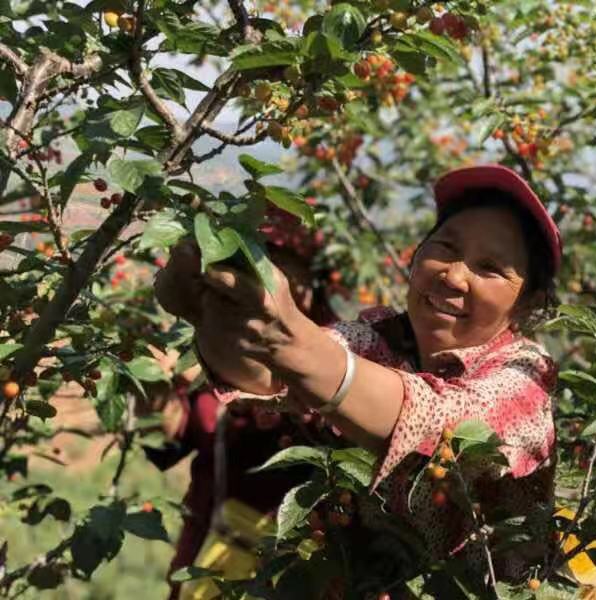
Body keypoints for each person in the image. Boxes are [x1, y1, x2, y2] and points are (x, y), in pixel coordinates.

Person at [154, 163, 563, 596]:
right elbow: (274, 375)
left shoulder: (524, 378)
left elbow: (441, 419)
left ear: (527, 304)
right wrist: (213, 318)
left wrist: (291, 344)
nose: (454, 274)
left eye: (491, 268)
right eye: (445, 246)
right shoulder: (379, 337)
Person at [148, 205, 339, 600]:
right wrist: (156, 392)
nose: (267, 283)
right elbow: (170, 445)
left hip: (288, 570)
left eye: (282, 269)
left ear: (311, 280)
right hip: (206, 554)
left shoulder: (341, 357)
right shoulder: (220, 344)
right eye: (256, 266)